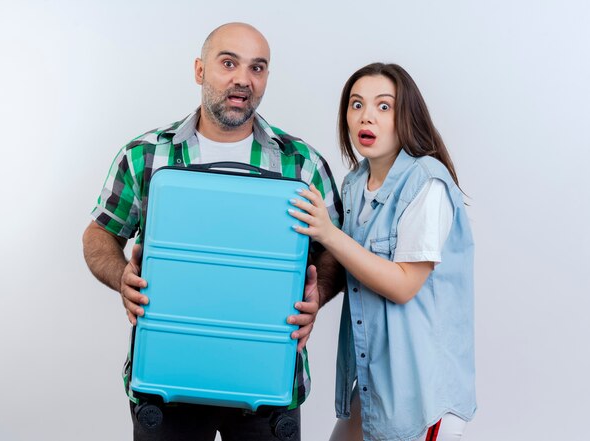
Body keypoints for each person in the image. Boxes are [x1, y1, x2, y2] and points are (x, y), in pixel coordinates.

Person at [82, 22, 343, 441]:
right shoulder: (145, 155)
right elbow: (101, 233)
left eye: (257, 68)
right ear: (200, 70)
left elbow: (335, 250)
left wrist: (319, 293)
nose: (243, 78)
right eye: (229, 63)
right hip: (168, 387)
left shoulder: (302, 164)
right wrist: (121, 277)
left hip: (268, 386)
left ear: (266, 79)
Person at [288, 63, 476, 441]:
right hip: (375, 382)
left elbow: (404, 284)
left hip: (424, 392)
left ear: (407, 115)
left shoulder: (427, 181)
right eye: (356, 105)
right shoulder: (355, 184)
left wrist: (329, 232)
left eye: (383, 106)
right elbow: (353, 268)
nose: (366, 116)